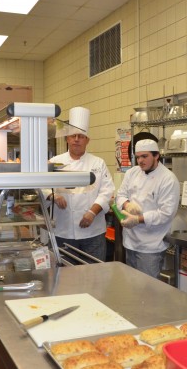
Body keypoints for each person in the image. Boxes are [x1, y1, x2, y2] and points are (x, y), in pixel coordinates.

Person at [48, 106, 115, 262]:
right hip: (63, 230)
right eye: (73, 136)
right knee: (65, 276)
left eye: (81, 136)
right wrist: (53, 195)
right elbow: (42, 186)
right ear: (67, 139)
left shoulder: (98, 163)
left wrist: (92, 212)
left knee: (94, 275)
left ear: (87, 140)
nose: (76, 139)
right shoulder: (55, 162)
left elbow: (107, 191)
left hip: (93, 231)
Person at [116, 139, 180, 279]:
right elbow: (120, 195)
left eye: (144, 156)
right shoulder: (132, 173)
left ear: (156, 156)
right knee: (132, 287)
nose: (140, 161)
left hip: (151, 245)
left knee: (147, 290)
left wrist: (138, 219)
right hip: (130, 241)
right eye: (138, 157)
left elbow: (166, 213)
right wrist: (127, 205)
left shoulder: (168, 179)